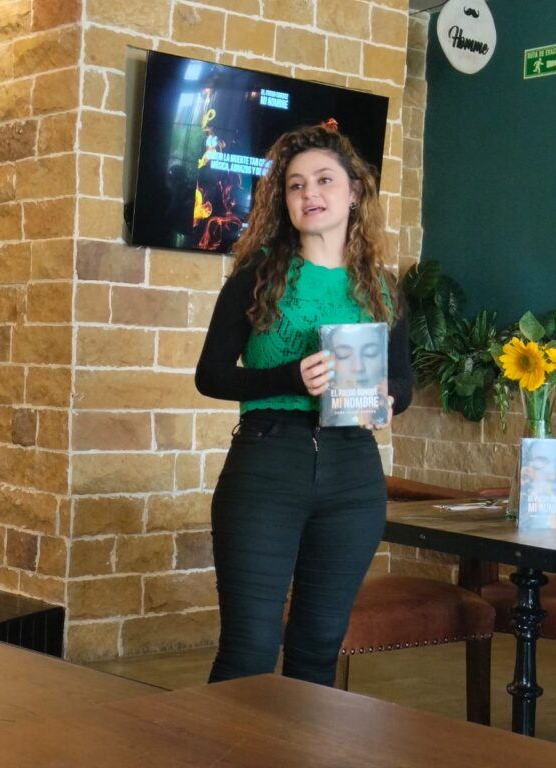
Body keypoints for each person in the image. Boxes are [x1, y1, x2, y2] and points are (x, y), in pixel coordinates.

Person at [194, 123, 413, 686]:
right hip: (266, 465)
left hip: (353, 473)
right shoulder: (257, 275)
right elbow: (210, 376)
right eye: (295, 185)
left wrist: (386, 398)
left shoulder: (383, 289)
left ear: (354, 192)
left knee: (318, 649)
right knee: (249, 650)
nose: (309, 193)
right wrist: (289, 376)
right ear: (284, 201)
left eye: (323, 180)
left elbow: (404, 385)